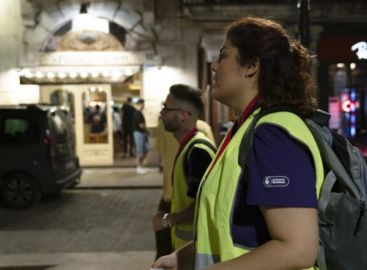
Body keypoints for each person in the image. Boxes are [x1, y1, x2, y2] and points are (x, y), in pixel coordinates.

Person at [152, 16, 324, 270]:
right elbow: (240, 232)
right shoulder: (245, 129)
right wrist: (183, 258)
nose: (214, 66)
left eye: (223, 55)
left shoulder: (273, 134)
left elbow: (297, 249)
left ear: (251, 66)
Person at [152, 84, 216, 258]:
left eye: (166, 108)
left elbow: (201, 205)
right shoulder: (190, 146)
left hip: (195, 253)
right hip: (186, 253)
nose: (162, 113)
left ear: (182, 115)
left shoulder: (198, 151)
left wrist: (168, 220)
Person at [133, 99, 148, 174]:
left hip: (141, 133)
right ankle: (139, 166)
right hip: (139, 133)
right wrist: (147, 130)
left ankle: (141, 165)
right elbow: (141, 125)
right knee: (140, 150)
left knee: (145, 149)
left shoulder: (139, 113)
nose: (144, 106)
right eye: (143, 104)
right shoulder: (137, 113)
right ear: (140, 104)